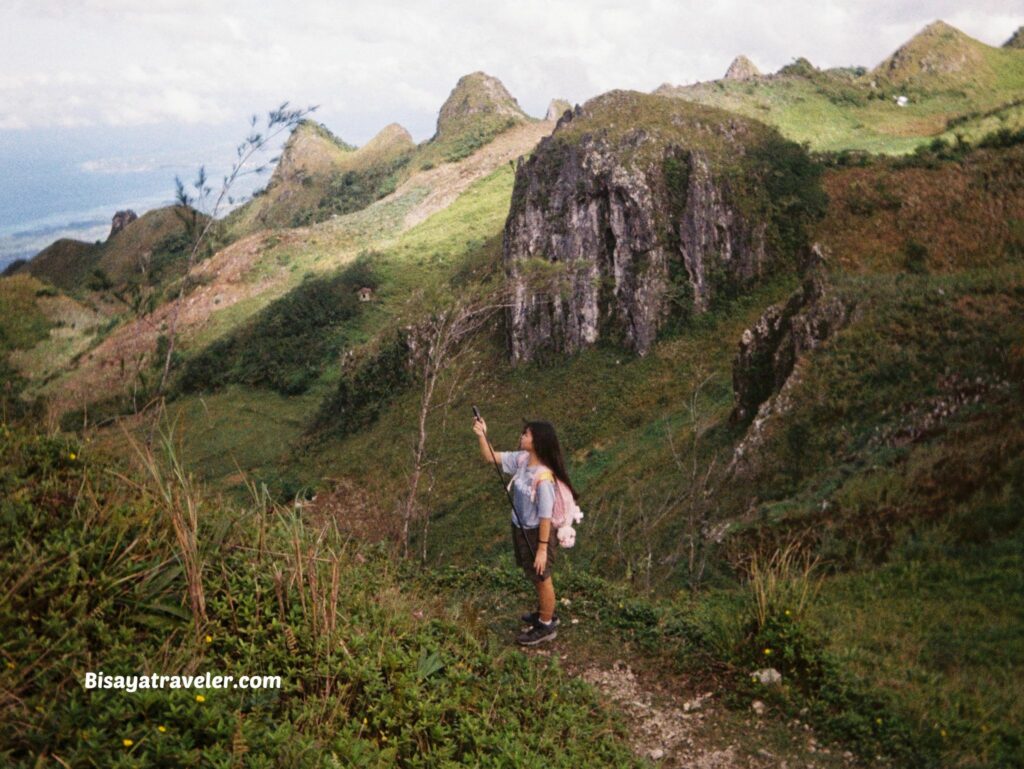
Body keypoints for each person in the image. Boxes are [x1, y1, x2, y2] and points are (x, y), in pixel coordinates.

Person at [472, 416, 578, 646]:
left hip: (536, 533)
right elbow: (491, 456)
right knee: (534, 574)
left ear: (537, 441)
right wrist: (482, 435)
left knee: (542, 577)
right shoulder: (522, 460)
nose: (522, 436)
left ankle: (547, 624)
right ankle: (544, 613)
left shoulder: (543, 478)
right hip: (520, 528)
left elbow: (545, 516)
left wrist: (542, 549)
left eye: (527, 434)